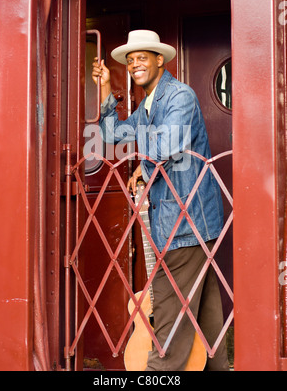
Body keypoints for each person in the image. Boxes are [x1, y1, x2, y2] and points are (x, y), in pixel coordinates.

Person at [92, 30, 229, 371]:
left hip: (185, 222)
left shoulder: (178, 96)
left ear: (160, 60)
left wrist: (141, 163)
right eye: (130, 59)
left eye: (142, 57)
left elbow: (167, 146)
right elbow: (112, 136)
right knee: (206, 315)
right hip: (184, 223)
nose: (135, 63)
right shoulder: (148, 107)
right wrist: (107, 89)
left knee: (169, 321)